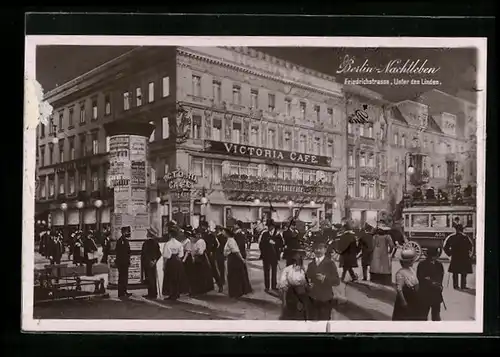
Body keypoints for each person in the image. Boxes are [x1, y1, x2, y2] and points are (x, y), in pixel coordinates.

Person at [306, 239, 341, 321]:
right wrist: (308, 283)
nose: (318, 251)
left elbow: (336, 281)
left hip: (325, 298)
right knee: (312, 321)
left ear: (325, 250)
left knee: (324, 321)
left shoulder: (330, 263)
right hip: (313, 297)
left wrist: (325, 279)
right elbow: (308, 277)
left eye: (320, 248)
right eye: (316, 249)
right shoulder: (311, 264)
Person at [278, 252, 310, 320]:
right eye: (295, 261)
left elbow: (309, 281)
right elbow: (282, 280)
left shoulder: (305, 269)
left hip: (302, 290)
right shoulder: (287, 269)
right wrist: (284, 285)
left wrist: (306, 282)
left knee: (305, 301)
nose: (296, 264)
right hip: (291, 289)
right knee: (291, 303)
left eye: (298, 261)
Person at [223, 227, 252, 298]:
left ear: (227, 233)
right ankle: (235, 292)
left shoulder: (231, 240)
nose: (223, 233)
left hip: (233, 259)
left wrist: (241, 259)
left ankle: (236, 293)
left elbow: (236, 251)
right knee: (232, 275)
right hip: (231, 258)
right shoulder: (229, 240)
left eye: (223, 232)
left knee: (233, 276)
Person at [162, 224, 189, 300]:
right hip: (178, 261)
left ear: (170, 235)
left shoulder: (167, 244)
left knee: (170, 278)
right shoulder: (179, 244)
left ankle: (171, 294)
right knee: (177, 277)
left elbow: (166, 255)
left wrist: (164, 265)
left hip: (170, 261)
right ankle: (177, 293)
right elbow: (181, 255)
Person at [417, 247, 444, 321]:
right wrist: (431, 282)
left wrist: (439, 285)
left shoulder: (439, 265)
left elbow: (441, 276)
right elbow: (421, 277)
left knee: (436, 315)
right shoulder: (422, 264)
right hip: (425, 293)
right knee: (423, 315)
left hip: (436, 293)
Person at [392, 249, 421, 320]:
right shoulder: (400, 273)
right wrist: (403, 301)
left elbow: (416, 283)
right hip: (406, 296)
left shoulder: (412, 270)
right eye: (410, 261)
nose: (412, 262)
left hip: (413, 296)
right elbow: (399, 289)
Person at [443, 223, 473, 290]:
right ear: (462, 230)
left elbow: (445, 247)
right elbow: (470, 247)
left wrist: (449, 254)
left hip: (455, 257)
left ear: (455, 229)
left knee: (455, 272)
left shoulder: (451, 237)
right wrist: (469, 254)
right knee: (463, 272)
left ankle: (455, 286)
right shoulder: (465, 237)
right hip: (464, 257)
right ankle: (463, 286)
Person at [259, 219, 284, 292]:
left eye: (270, 226)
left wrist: (274, 243)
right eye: (268, 226)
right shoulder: (265, 234)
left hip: (274, 255)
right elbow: (261, 245)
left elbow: (281, 244)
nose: (268, 227)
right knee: (266, 271)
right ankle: (267, 286)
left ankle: (274, 286)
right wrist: (263, 252)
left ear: (273, 226)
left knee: (274, 271)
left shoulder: (277, 234)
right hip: (266, 256)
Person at [188, 228, 214, 296]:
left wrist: (195, 253)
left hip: (200, 259)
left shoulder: (200, 242)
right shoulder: (199, 241)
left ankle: (199, 290)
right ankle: (201, 289)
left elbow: (200, 252)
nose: (196, 236)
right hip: (201, 258)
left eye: (197, 234)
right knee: (201, 275)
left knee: (199, 275)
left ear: (199, 235)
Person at [200, 221, 223, 293]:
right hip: (202, 254)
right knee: (203, 271)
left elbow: (217, 244)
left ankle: (220, 285)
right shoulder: (201, 234)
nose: (202, 228)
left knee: (213, 270)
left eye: (203, 226)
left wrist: (212, 251)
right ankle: (205, 287)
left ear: (206, 227)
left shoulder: (211, 235)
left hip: (209, 254)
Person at [370, 221, 395, 285]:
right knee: (384, 267)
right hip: (384, 253)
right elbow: (392, 246)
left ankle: (375, 281)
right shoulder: (387, 237)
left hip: (375, 253)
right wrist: (390, 252)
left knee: (375, 267)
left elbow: (372, 246)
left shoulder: (374, 237)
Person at [141, 227, 162, 299]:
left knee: (149, 278)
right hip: (153, 263)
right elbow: (159, 253)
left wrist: (148, 261)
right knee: (153, 277)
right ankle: (154, 292)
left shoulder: (145, 243)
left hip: (147, 263)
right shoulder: (155, 243)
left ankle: (151, 293)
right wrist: (154, 260)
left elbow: (144, 254)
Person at [115, 226, 132, 298]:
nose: (128, 233)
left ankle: (124, 291)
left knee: (124, 278)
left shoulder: (124, 240)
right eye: (127, 231)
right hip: (122, 263)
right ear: (123, 232)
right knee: (122, 278)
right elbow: (121, 253)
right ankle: (121, 293)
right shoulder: (121, 241)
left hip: (124, 262)